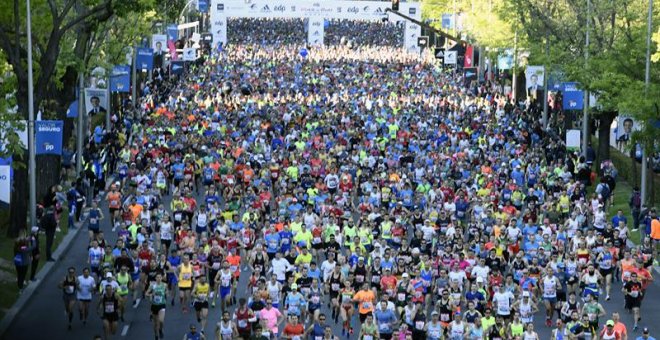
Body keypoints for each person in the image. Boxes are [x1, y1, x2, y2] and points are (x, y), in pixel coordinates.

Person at [146, 272, 167, 339]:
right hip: (154, 305)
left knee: (161, 321)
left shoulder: (164, 285)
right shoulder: (152, 285)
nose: (159, 279)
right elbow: (146, 293)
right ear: (155, 278)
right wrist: (151, 295)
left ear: (162, 278)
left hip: (162, 304)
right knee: (155, 324)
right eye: (157, 277)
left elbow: (167, 293)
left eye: (160, 277)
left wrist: (166, 293)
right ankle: (156, 335)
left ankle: (160, 330)